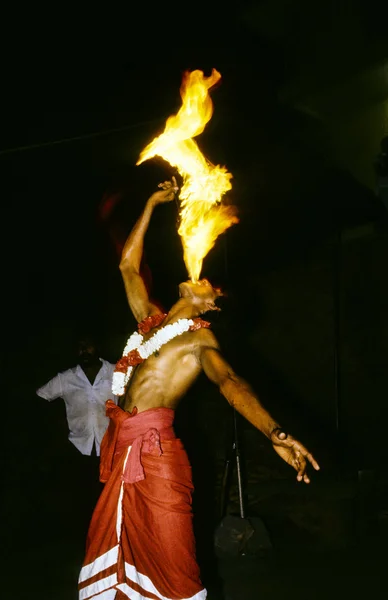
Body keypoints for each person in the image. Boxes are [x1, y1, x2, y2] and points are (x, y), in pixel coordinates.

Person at [78, 180, 320, 600]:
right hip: (124, 451)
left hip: (157, 458)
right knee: (120, 555)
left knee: (176, 565)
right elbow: (127, 268)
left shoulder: (199, 340)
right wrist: (152, 204)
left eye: (209, 283)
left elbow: (230, 383)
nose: (200, 277)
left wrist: (274, 433)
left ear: (212, 305)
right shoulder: (150, 324)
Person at [36, 335, 118, 532]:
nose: (84, 351)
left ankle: (109, 539)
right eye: (79, 347)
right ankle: (85, 541)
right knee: (82, 499)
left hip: (112, 446)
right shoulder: (66, 378)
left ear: (97, 346)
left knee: (110, 499)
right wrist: (57, 425)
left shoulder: (116, 372)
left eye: (88, 346)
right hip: (78, 447)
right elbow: (41, 397)